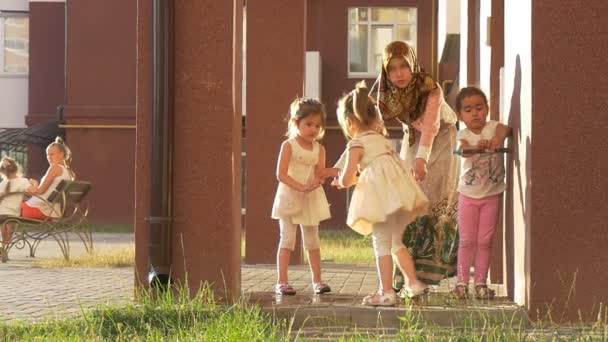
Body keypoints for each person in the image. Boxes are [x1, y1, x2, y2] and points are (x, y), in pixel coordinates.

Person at [369, 40, 460, 293]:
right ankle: (407, 277)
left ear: (413, 65)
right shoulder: (386, 92)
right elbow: (372, 123)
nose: (399, 73)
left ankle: (427, 276)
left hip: (441, 140)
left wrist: (421, 159)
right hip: (412, 139)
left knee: (430, 200)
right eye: (392, 68)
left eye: (404, 66)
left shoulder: (431, 88)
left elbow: (431, 126)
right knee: (406, 202)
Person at [333, 82, 429, 306]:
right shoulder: (383, 141)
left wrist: (341, 182)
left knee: (381, 244)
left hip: (380, 200)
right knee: (396, 241)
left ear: (349, 122)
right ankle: (413, 283)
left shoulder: (356, 143)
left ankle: (386, 292)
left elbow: (348, 178)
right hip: (400, 198)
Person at [451, 86, 511, 300]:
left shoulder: (493, 127)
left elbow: (506, 129)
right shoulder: (463, 134)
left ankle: (481, 283)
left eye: (479, 107)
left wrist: (497, 141)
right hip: (468, 195)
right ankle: (461, 283)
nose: (475, 113)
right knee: (467, 240)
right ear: (460, 115)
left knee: (485, 240)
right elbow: (465, 149)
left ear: (487, 108)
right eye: (468, 110)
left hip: (492, 194)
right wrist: (479, 145)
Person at [271, 98, 333, 296]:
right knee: (287, 240)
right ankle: (282, 282)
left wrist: (328, 175)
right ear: (295, 123)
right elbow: (281, 174)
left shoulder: (319, 149)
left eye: (317, 125)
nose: (313, 129)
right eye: (308, 124)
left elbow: (320, 173)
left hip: (310, 199)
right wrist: (301, 187)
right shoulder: (288, 145)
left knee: (313, 241)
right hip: (290, 197)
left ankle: (318, 280)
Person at [22, 137, 75, 220]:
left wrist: (31, 185)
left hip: (38, 209)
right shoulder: (69, 172)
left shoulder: (55, 168)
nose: (49, 157)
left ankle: (5, 232)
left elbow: (40, 191)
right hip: (53, 211)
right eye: (47, 154)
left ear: (61, 154)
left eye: (52, 154)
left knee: (7, 207)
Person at [0, 157, 32, 254]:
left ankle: (2, 246)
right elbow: (32, 192)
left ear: (2, 173)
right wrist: (34, 183)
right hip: (13, 213)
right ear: (17, 169)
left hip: (1, 213)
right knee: (10, 229)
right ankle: (5, 248)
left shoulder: (2, 184)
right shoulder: (24, 181)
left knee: (3, 228)